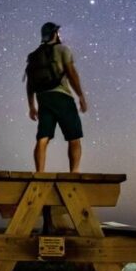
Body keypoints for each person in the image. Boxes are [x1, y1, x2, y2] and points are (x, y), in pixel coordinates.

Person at [25, 21, 88, 173]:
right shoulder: (62, 49)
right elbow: (71, 73)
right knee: (74, 137)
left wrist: (32, 106)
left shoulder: (33, 56)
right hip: (62, 97)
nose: (59, 35)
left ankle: (40, 172)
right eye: (57, 32)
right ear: (54, 34)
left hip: (43, 99)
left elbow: (30, 83)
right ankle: (74, 172)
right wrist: (80, 95)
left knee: (43, 138)